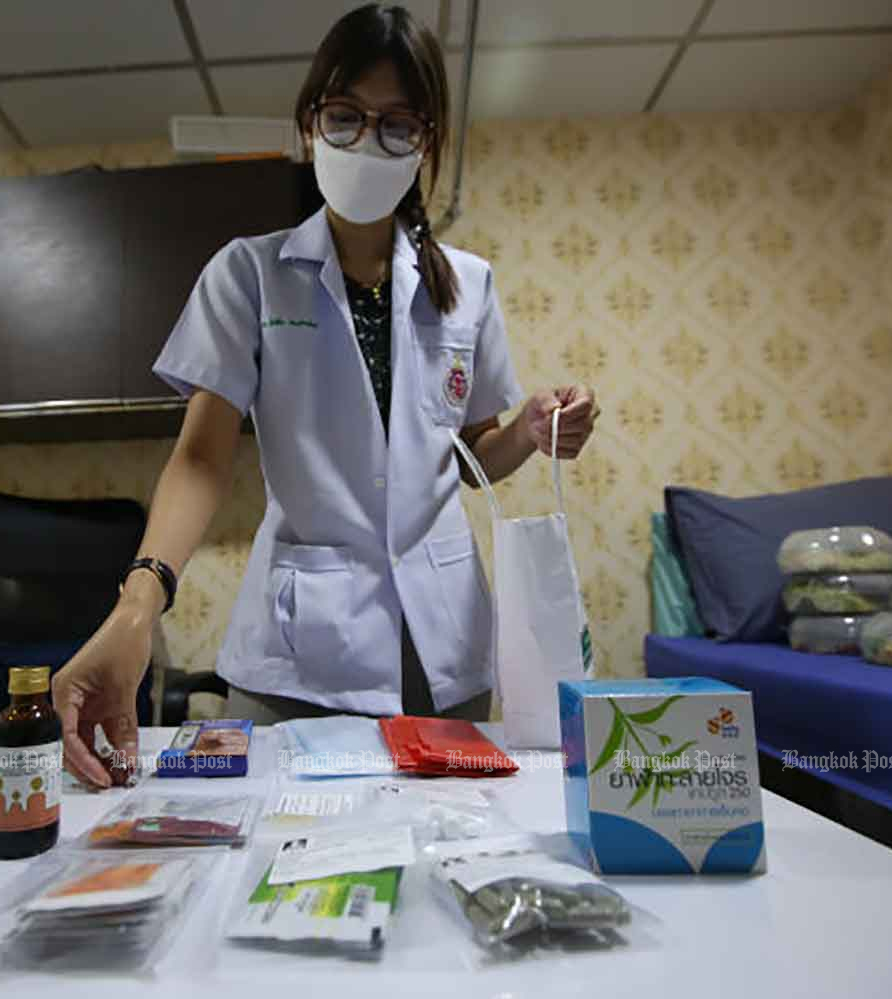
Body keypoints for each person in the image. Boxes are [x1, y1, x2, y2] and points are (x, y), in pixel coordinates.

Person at [54, 3, 599, 789]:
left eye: (397, 124)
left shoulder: (468, 286)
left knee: (446, 858)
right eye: (345, 116)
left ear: (427, 143)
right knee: (286, 853)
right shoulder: (249, 274)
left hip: (441, 647)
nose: (367, 141)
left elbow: (475, 452)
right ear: (310, 125)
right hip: (298, 659)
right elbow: (203, 458)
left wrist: (532, 429)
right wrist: (139, 605)